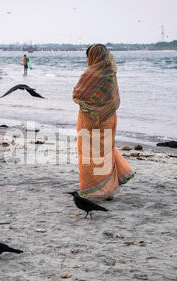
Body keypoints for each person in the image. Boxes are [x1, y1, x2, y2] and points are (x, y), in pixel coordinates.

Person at [72, 44, 134, 201]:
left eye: (88, 57)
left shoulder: (90, 74)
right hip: (108, 117)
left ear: (93, 57)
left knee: (88, 154)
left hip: (90, 120)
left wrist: (91, 106)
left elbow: (77, 94)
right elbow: (113, 98)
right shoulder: (111, 73)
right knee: (105, 151)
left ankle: (91, 188)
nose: (87, 60)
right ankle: (108, 189)